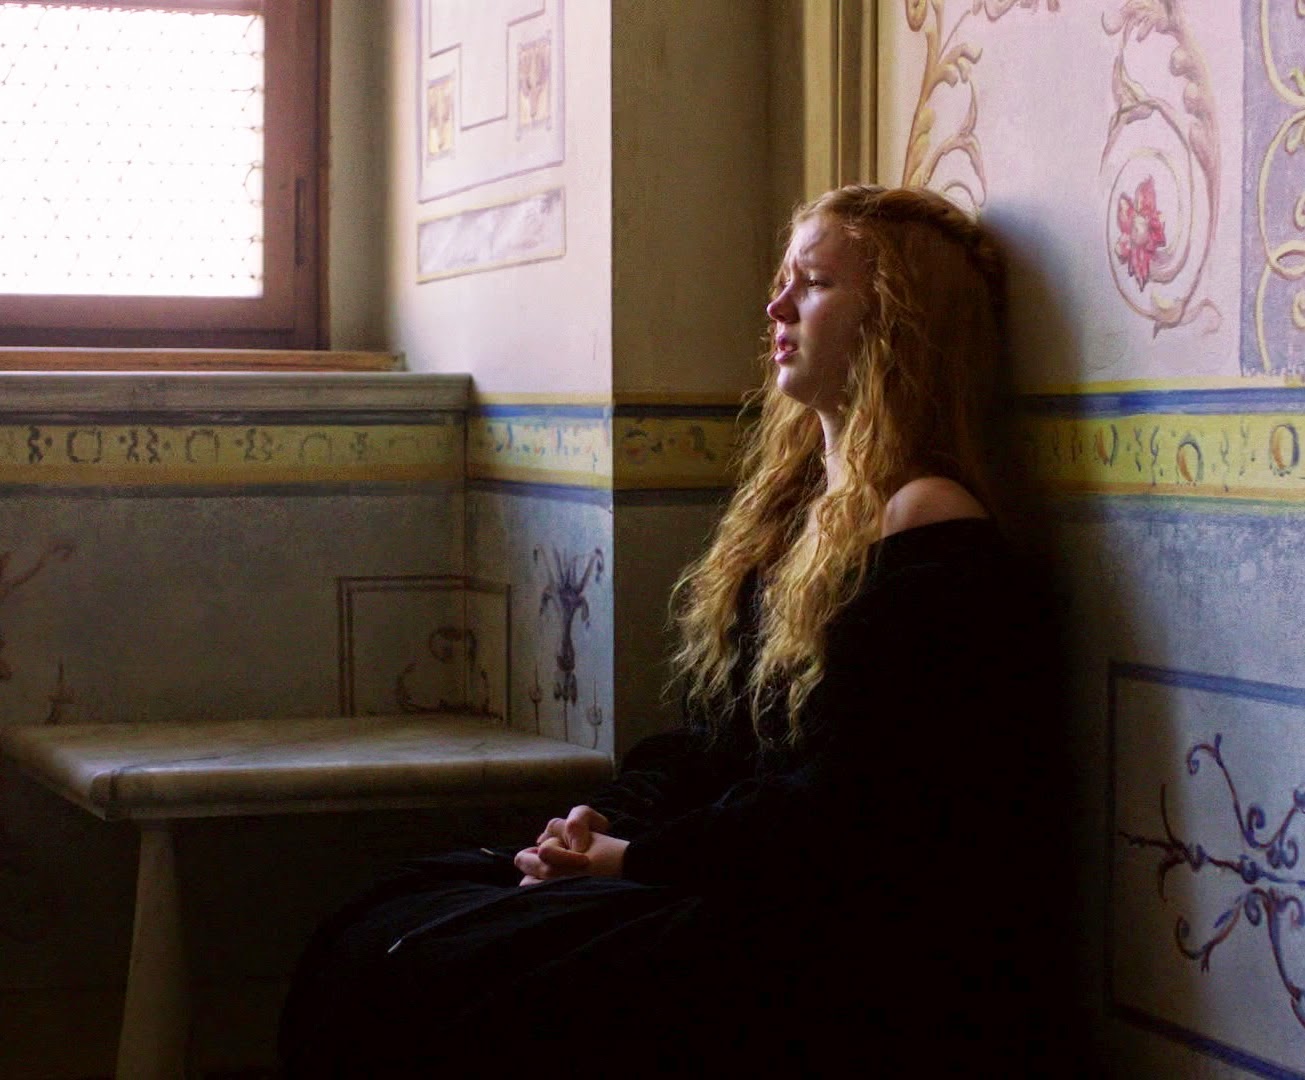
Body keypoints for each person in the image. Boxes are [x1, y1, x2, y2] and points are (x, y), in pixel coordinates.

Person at [278, 185, 1072, 1076]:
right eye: (783, 282)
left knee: (452, 976)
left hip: (841, 926)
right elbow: (714, 740)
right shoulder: (792, 511)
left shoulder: (928, 520)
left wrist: (634, 858)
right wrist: (602, 821)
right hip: (747, 865)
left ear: (896, 325)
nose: (776, 309)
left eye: (812, 284)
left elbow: (860, 805)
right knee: (386, 919)